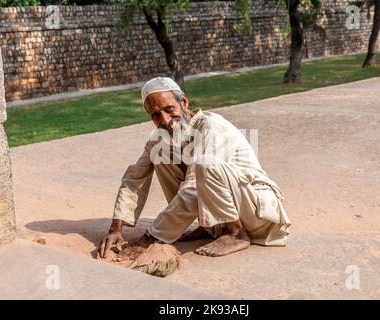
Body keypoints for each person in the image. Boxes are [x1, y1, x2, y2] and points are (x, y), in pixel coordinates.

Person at [98, 77, 290, 260]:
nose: (164, 120)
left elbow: (192, 189)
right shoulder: (160, 137)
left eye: (169, 109)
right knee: (161, 155)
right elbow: (134, 178)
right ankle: (213, 227)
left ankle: (236, 233)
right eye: (156, 114)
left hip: (257, 213)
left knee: (203, 164)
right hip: (228, 209)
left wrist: (150, 237)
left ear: (184, 102)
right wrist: (116, 229)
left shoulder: (212, 126)